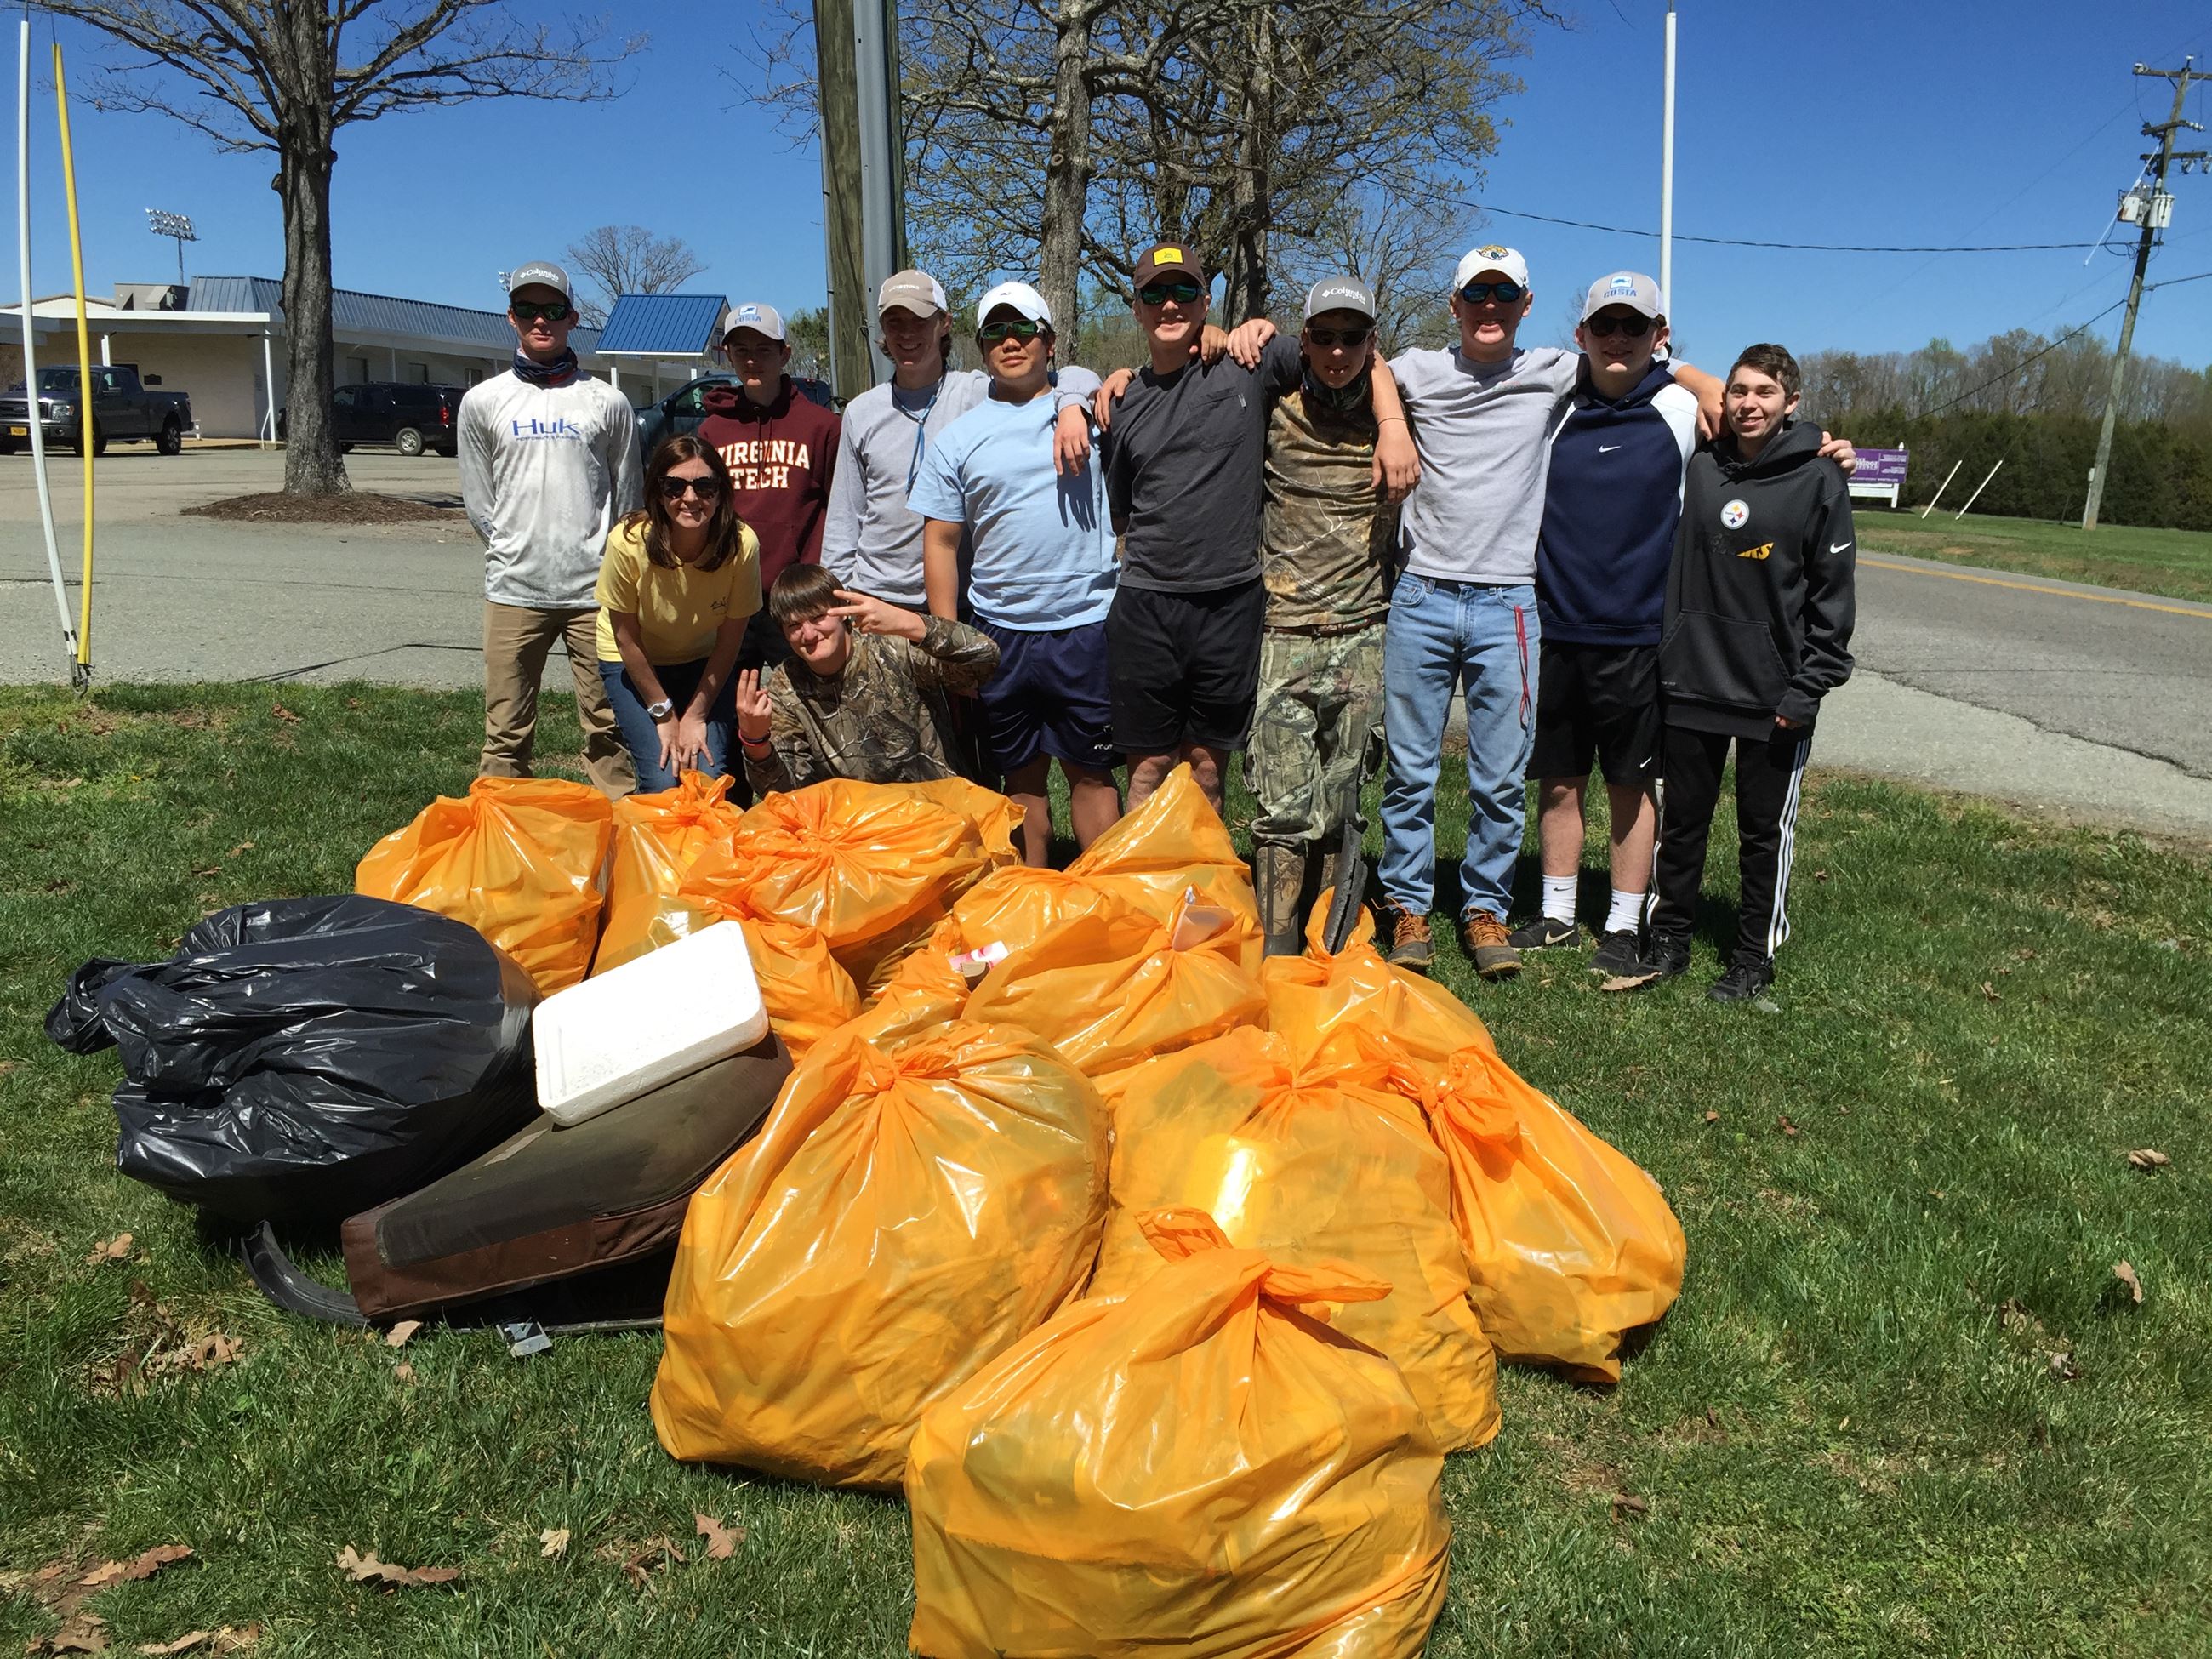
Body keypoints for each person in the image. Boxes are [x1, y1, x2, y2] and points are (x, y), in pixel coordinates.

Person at [1375, 244, 1722, 979]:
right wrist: (1391, 421)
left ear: (1528, 307)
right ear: (1455, 304)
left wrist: (1710, 382)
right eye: (1477, 295)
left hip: (1511, 603)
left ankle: (1485, 909)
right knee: (1410, 770)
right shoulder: (1415, 370)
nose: (1490, 308)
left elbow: (1661, 369)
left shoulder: (1556, 374)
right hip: (1423, 595)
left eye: (1505, 296)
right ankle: (1407, 904)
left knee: (1500, 777)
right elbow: (1363, 359)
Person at [1098, 241, 1417, 818]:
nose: (1171, 305)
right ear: (1138, 308)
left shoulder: (1248, 365)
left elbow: (1357, 353)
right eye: (1156, 295)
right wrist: (1082, 398)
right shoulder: (1122, 401)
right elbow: (1122, 513)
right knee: (1146, 769)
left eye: (1184, 292)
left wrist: (1392, 422)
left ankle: (1204, 897)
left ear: (1205, 299)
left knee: (1205, 768)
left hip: (1230, 604)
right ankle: (1142, 897)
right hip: (1147, 605)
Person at [1640, 343, 1856, 1002]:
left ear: (1791, 403)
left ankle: (1751, 958)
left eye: (1765, 392)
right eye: (1739, 390)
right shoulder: (1700, 462)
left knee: (1763, 836)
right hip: (1691, 679)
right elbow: (1643, 372)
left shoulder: (1820, 477)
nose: (1749, 403)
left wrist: (1809, 685)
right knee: (1681, 824)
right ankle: (1670, 937)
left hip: (1775, 695)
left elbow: (1832, 596)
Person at [1508, 272, 1702, 979]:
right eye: (1605, 326)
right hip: (1555, 630)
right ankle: (1558, 911)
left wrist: (1820, 449)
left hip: (1639, 638)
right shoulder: (1552, 405)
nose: (1618, 339)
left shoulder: (1683, 410)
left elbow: (1756, 431)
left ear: (1659, 335)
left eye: (1635, 326)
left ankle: (1623, 924)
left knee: (1629, 786)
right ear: (1581, 335)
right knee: (1558, 781)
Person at [911, 281, 1121, 865]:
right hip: (1000, 634)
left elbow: (1119, 379)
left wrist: (1076, 397)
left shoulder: (1093, 414)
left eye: (1025, 329)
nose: (1011, 341)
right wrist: (952, 641)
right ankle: (1031, 893)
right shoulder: (956, 439)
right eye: (996, 332)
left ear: (1049, 342)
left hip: (1085, 627)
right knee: (1022, 779)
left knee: (1092, 772)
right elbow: (941, 542)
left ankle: (1108, 897)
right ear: (980, 349)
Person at [1241, 276, 1412, 955]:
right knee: (1282, 805)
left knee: (1346, 800)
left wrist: (1394, 416)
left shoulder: (1396, 409)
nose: (1337, 350)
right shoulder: (1272, 402)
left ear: (1373, 345)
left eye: (1353, 338)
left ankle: (1334, 934)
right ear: (1302, 339)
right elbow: (1202, 356)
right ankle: (1278, 941)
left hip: (1365, 633)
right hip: (1284, 632)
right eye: (1323, 336)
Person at [458, 259, 641, 796]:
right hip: (514, 591)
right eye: (528, 310)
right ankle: (505, 838)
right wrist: (515, 548)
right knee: (506, 732)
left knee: (610, 728)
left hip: (597, 594)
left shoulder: (607, 401)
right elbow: (479, 503)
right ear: (511, 317)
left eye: (554, 310)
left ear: (572, 318)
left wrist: (609, 564)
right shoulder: (483, 402)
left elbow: (628, 499)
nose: (542, 321)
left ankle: (624, 833)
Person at [822, 269, 1101, 611]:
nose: (907, 334)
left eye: (920, 321)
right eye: (895, 322)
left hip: (958, 599)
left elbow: (1064, 377)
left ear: (945, 323)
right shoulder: (861, 412)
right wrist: (837, 604)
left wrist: (1073, 403)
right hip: (874, 598)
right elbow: (844, 521)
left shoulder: (980, 392)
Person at [734, 563, 1000, 795]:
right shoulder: (786, 685)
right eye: (794, 625)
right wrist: (756, 742)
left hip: (937, 813)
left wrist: (910, 623)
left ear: (843, 613)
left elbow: (986, 659)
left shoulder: (893, 648)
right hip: (852, 830)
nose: (809, 633)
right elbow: (784, 794)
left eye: (818, 617)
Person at [594, 435, 761, 792]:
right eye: (675, 486)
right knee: (662, 778)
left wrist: (696, 715)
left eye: (704, 487)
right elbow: (625, 637)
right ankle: (653, 843)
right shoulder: (627, 542)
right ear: (658, 491)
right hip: (634, 660)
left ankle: (703, 846)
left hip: (703, 660)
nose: (690, 498)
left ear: (721, 493)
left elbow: (731, 642)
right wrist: (664, 714)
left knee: (707, 776)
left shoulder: (742, 545)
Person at [697, 302, 841, 679]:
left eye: (763, 350)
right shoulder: (713, 431)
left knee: (810, 701)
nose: (752, 360)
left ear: (784, 353)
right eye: (741, 350)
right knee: (727, 706)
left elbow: (838, 509)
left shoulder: (821, 427)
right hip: (731, 596)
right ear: (727, 355)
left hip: (795, 596)